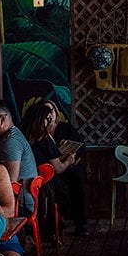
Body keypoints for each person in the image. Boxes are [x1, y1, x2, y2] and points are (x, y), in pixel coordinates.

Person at [0, 99, 38, 215]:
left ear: (2, 119)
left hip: (20, 205)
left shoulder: (11, 142)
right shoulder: (7, 136)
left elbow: (10, 182)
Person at [43, 99, 88, 234]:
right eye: (45, 111)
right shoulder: (39, 132)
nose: (48, 115)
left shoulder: (66, 128)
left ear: (56, 113)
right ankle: (57, 222)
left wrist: (70, 151)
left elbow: (81, 146)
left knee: (78, 178)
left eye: (50, 110)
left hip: (69, 166)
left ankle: (80, 223)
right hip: (50, 168)